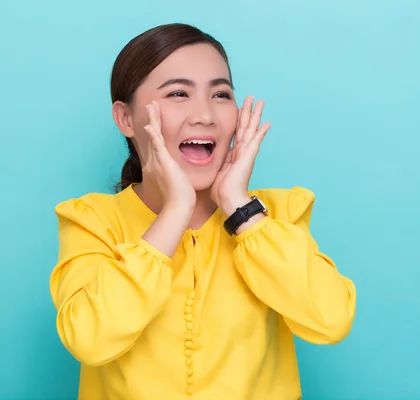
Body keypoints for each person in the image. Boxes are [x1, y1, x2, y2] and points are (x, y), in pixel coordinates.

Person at [49, 23, 356, 399]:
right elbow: (90, 339)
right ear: (126, 118)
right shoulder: (92, 220)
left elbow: (330, 320)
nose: (205, 115)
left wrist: (239, 209)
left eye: (221, 94)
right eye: (179, 93)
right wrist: (176, 209)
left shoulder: (277, 214)